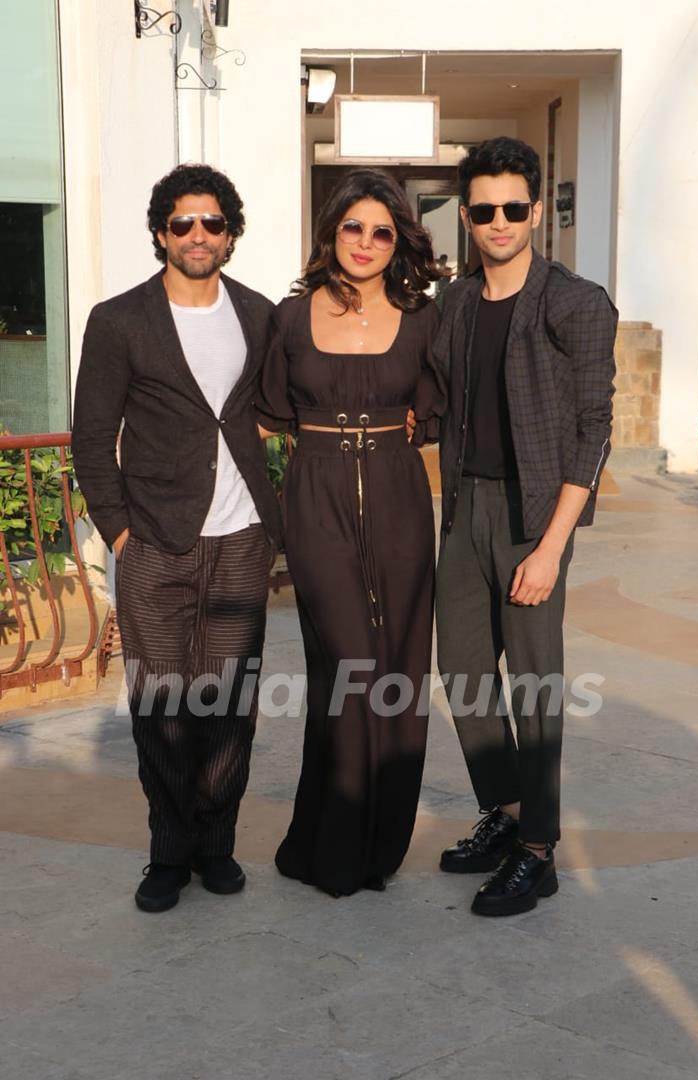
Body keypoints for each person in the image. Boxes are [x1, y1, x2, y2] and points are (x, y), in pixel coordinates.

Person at [72, 164, 282, 913]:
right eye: (184, 223)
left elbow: (288, 408)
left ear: (231, 233)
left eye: (213, 223)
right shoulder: (119, 319)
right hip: (154, 541)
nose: (199, 235)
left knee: (229, 703)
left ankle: (214, 844)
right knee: (161, 704)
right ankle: (169, 850)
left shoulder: (259, 315)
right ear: (161, 232)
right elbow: (93, 440)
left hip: (242, 538)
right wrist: (122, 534)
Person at [434, 137, 616, 916]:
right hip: (464, 508)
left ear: (536, 210)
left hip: (534, 512)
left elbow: (594, 429)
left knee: (534, 687)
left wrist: (549, 548)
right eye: (484, 210)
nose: (499, 221)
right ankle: (505, 814)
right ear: (468, 218)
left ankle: (537, 851)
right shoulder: (454, 304)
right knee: (464, 674)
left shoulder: (575, 302)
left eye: (514, 207)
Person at [256, 168, 446, 897]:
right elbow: (268, 413)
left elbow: (441, 404)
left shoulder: (423, 317)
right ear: (331, 232)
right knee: (350, 666)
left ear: (396, 242)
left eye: (381, 231)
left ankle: (379, 845)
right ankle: (332, 843)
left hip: (399, 494)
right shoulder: (291, 318)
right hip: (317, 495)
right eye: (352, 228)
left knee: (397, 668)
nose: (365, 243)